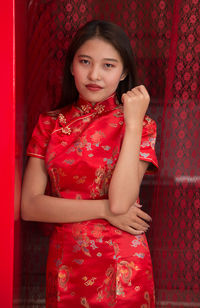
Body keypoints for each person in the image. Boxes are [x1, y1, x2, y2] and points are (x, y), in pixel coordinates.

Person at [21, 20, 158, 307]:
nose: (94, 74)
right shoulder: (49, 124)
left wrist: (132, 123)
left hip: (122, 263)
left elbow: (122, 202)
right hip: (66, 262)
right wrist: (104, 210)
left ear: (123, 74)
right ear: (71, 66)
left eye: (108, 65)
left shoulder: (140, 125)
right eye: (85, 61)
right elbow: (30, 206)